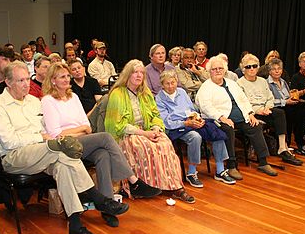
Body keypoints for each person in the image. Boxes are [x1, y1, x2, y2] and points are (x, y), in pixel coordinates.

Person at [0, 61, 129, 234]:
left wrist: (46, 138)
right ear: (7, 82)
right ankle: (98, 198)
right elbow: (9, 141)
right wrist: (40, 137)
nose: (26, 84)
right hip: (15, 157)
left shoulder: (33, 102)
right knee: (61, 148)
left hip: (45, 153)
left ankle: (76, 227)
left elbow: (47, 128)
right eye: (20, 80)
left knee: (63, 164)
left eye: (26, 79)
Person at [42, 62, 160, 225]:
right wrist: (81, 129)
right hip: (63, 146)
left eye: (68, 76)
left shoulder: (73, 97)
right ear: (53, 80)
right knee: (105, 138)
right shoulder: (48, 101)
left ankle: (107, 206)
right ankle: (133, 181)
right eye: (63, 76)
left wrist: (82, 129)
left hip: (82, 141)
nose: (67, 79)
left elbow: (88, 126)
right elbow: (56, 134)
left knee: (103, 154)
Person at [105, 59, 195, 203]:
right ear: (127, 74)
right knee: (144, 146)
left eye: (141, 73)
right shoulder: (118, 94)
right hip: (127, 133)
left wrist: (156, 128)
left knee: (164, 143)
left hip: (147, 130)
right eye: (135, 72)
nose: (139, 75)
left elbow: (156, 115)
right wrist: (144, 134)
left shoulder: (145, 93)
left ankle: (175, 187)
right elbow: (117, 125)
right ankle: (145, 186)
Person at [196, 55, 278, 179]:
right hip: (219, 119)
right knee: (228, 129)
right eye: (214, 69)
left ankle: (263, 162)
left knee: (256, 126)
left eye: (220, 68)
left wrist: (250, 114)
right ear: (209, 71)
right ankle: (231, 165)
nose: (218, 71)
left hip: (240, 117)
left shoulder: (232, 83)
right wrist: (221, 117)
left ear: (225, 70)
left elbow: (243, 100)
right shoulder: (206, 87)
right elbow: (205, 106)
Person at [155, 70, 235, 187]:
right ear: (162, 85)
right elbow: (167, 122)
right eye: (167, 83)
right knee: (195, 137)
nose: (171, 86)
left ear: (177, 82)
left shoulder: (182, 92)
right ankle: (191, 172)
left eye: (173, 82)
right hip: (176, 128)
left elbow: (191, 109)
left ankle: (220, 169)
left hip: (191, 122)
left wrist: (197, 118)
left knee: (216, 131)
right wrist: (186, 123)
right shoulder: (159, 99)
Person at [237, 54, 303, 166]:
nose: (252, 69)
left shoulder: (262, 81)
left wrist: (267, 107)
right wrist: (259, 111)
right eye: (248, 67)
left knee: (280, 113)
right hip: (252, 113)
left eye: (254, 66)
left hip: (266, 110)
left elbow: (270, 98)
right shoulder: (239, 83)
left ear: (258, 67)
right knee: (280, 113)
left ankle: (282, 148)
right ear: (243, 69)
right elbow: (243, 103)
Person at [267, 58, 305, 157]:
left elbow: (288, 95)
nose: (277, 71)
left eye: (279, 68)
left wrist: (292, 99)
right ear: (270, 71)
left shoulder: (283, 82)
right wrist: (285, 101)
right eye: (274, 69)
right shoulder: (267, 84)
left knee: (303, 105)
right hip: (278, 108)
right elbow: (269, 101)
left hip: (288, 106)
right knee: (299, 112)